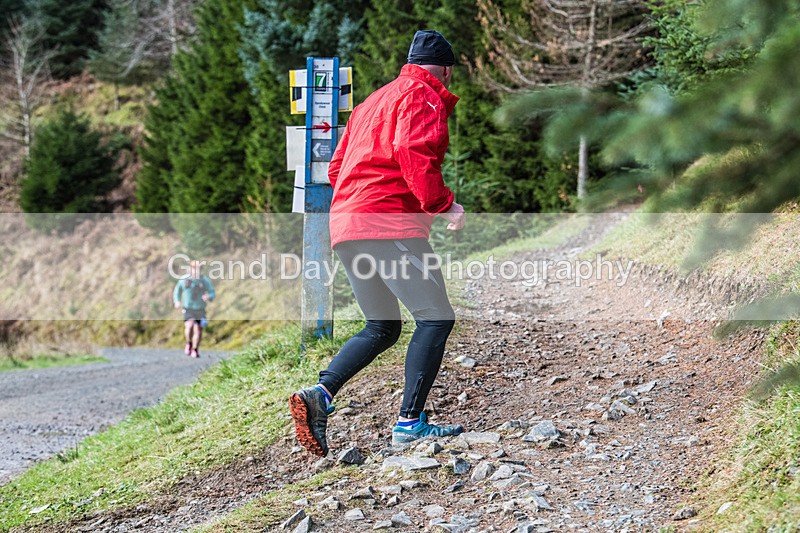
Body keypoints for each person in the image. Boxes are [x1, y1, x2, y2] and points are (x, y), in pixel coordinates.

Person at [289, 30, 467, 457]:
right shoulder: (423, 95)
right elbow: (412, 149)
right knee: (435, 318)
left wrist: (358, 200)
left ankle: (321, 393)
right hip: (388, 224)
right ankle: (410, 423)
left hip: (348, 226)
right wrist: (442, 204)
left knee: (383, 326)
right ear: (444, 68)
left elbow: (337, 167)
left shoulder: (371, 102)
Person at [173, 260, 215, 358]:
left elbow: (212, 292)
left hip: (200, 309)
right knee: (189, 325)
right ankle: (189, 343)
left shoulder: (204, 280)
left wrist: (208, 296)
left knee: (198, 330)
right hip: (189, 308)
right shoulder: (184, 280)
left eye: (199, 269)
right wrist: (177, 301)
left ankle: (195, 349)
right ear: (191, 269)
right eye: (195, 269)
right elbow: (177, 291)